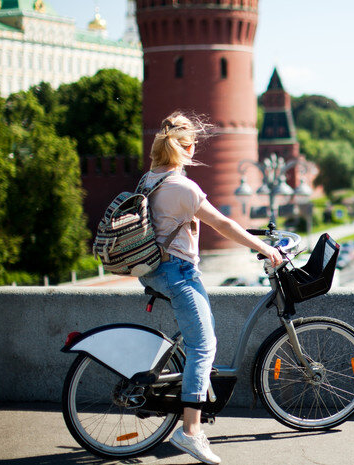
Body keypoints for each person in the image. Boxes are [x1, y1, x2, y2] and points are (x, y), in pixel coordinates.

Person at [139, 111, 282, 465]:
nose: (195, 150)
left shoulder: (151, 179)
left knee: (200, 338)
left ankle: (190, 391)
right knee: (204, 346)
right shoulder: (182, 188)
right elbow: (223, 223)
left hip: (157, 269)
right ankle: (190, 432)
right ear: (184, 148)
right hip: (178, 273)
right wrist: (264, 248)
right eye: (192, 145)